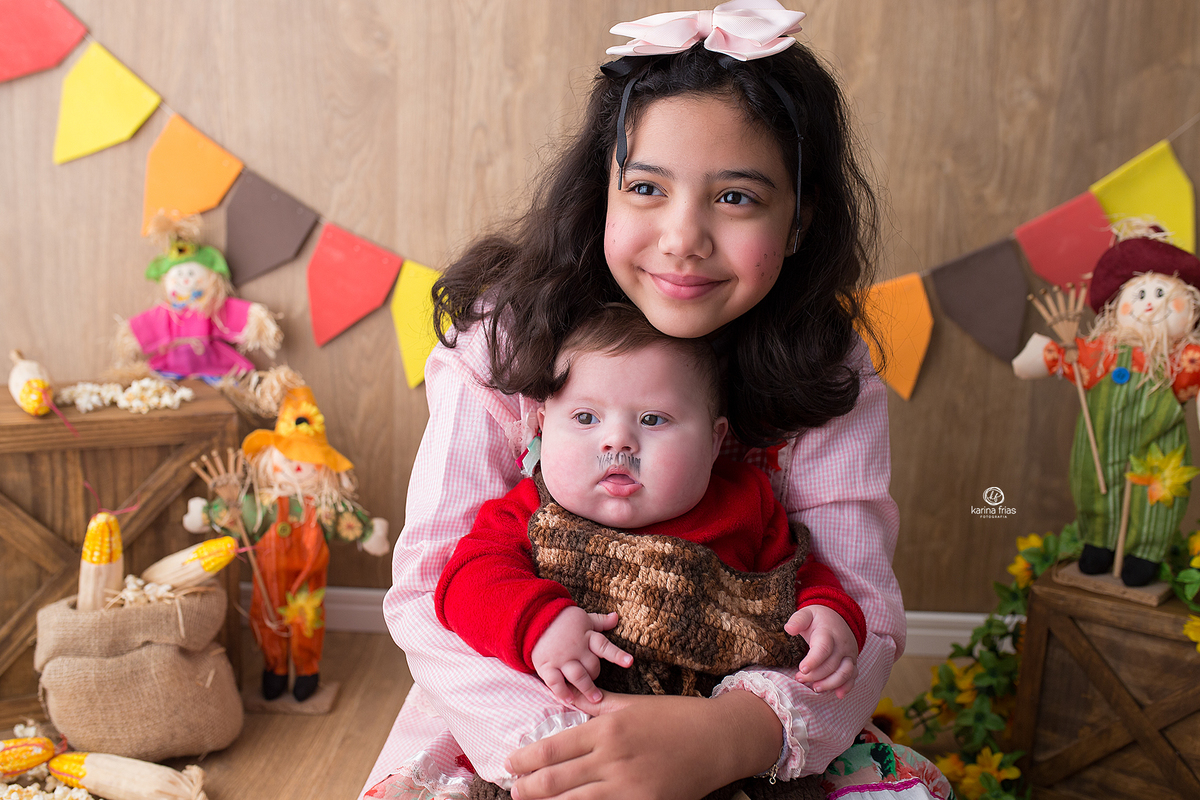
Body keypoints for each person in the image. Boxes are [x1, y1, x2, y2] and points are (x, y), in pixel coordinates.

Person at [363, 3, 920, 798]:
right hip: (520, 704)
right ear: (602, 194)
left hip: (737, 711)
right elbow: (431, 587)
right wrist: (567, 750)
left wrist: (735, 735)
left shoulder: (826, 366)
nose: (682, 237)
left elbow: (856, 598)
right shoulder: (505, 341)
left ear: (800, 220)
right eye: (648, 187)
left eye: (736, 198)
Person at [435, 305, 866, 726]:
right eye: (586, 417)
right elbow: (466, 579)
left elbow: (796, 578)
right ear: (544, 428)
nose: (618, 440)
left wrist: (828, 614)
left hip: (711, 730)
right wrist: (538, 623)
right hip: (573, 722)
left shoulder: (743, 505)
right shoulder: (532, 508)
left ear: (714, 442)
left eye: (653, 419)